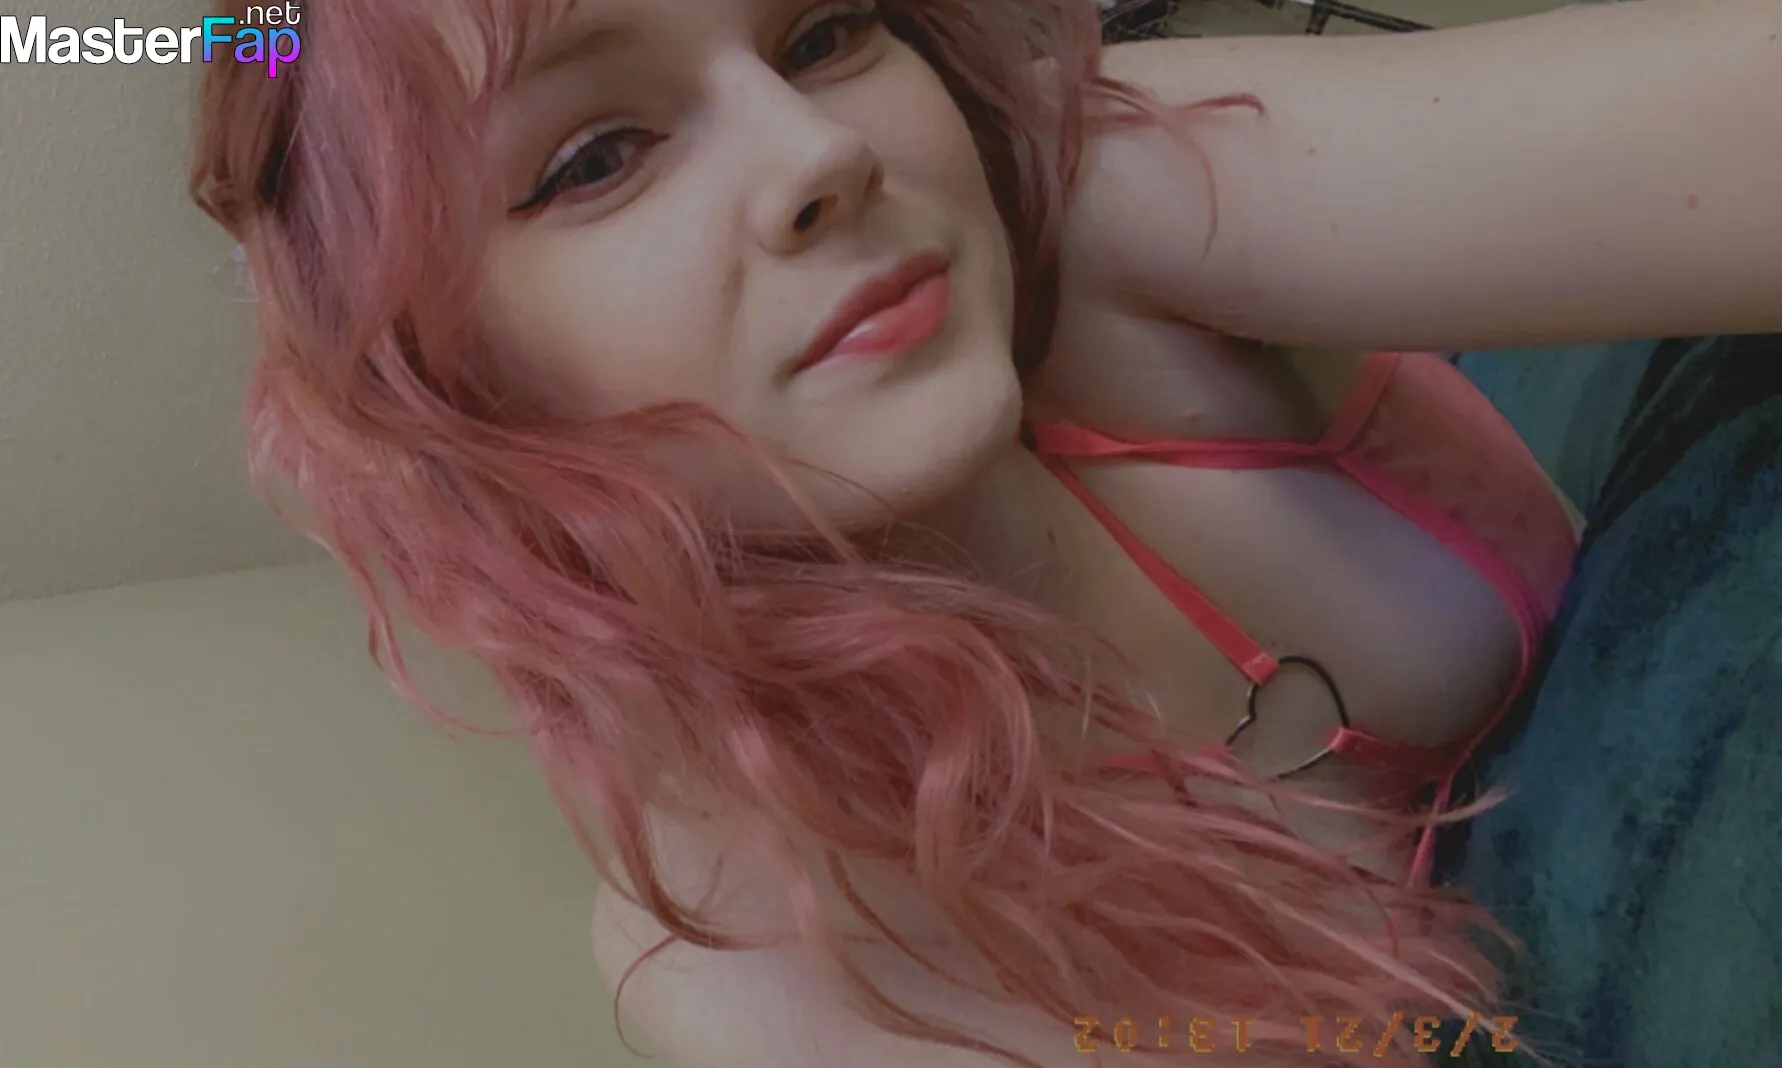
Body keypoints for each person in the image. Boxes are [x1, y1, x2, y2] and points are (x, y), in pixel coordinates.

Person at [186, 1, 1781, 1066]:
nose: (820, 152)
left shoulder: (1109, 192)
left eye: (821, 33)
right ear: (441, 384)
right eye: (595, 157)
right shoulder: (738, 959)